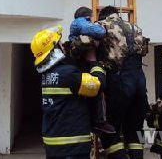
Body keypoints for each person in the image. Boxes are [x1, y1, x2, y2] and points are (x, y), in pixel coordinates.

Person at [31, 25, 106, 159]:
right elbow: (98, 85)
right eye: (59, 43)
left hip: (53, 145)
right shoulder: (68, 74)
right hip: (71, 147)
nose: (63, 45)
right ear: (55, 48)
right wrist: (94, 62)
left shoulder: (47, 75)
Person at [96, 6, 150, 159]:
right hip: (139, 81)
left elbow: (84, 42)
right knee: (134, 130)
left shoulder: (103, 25)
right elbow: (144, 50)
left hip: (120, 81)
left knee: (109, 130)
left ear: (103, 16)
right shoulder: (135, 27)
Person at [69, 6, 114, 134]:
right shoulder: (80, 22)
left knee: (93, 91)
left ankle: (96, 122)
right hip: (84, 62)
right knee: (96, 88)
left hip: (82, 60)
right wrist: (100, 27)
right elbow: (99, 32)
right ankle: (98, 122)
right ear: (88, 16)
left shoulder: (78, 23)